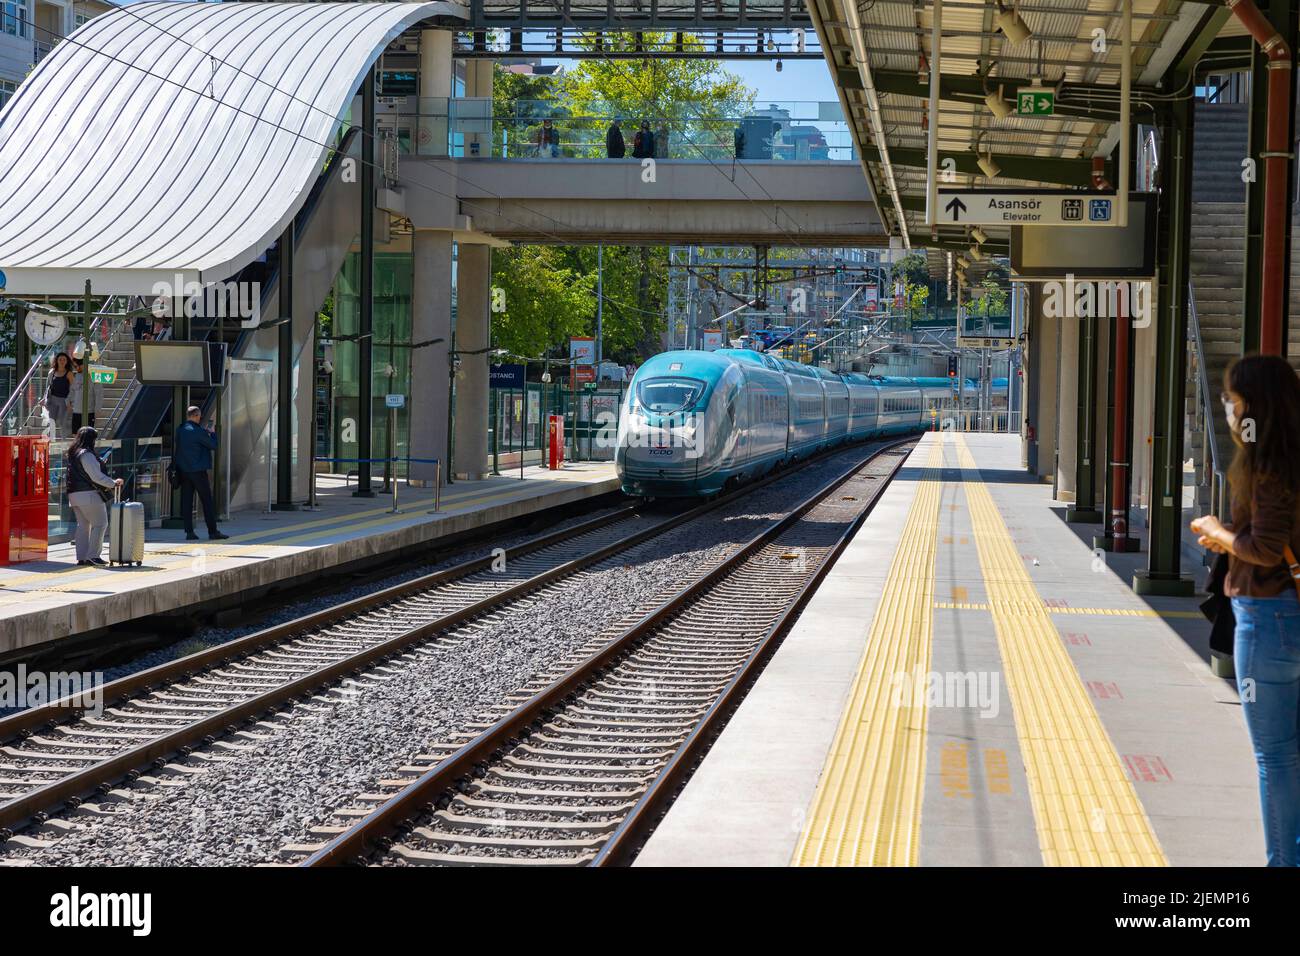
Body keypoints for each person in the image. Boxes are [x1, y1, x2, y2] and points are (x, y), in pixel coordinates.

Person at [1191, 353, 1300, 867]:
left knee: (1276, 756)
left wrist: (1217, 532)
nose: (1228, 409)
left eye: (1232, 400)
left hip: (1270, 617)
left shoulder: (1269, 465)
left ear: (1254, 406)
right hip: (1286, 612)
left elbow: (1265, 547)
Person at [65, 426, 122, 566]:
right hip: (89, 495)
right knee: (101, 523)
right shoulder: (87, 454)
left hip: (74, 495)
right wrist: (113, 483)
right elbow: (95, 476)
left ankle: (82, 557)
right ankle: (93, 556)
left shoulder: (73, 453)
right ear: (91, 439)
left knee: (83, 525)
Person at [175, 405, 228, 541]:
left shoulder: (181, 429)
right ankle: (213, 531)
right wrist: (212, 433)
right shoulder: (198, 431)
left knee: (187, 501)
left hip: (184, 470)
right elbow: (214, 446)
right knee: (207, 501)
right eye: (200, 416)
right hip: (198, 471)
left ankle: (189, 532)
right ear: (197, 416)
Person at [42, 352, 73, 439]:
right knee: (51, 422)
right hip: (52, 400)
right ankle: (51, 441)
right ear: (57, 361)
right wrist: (44, 399)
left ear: (67, 361)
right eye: (60, 359)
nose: (62, 361)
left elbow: (73, 389)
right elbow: (48, 386)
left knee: (63, 423)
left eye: (64, 359)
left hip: (64, 401)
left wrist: (70, 402)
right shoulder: (52, 372)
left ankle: (64, 443)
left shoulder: (69, 373)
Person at [68, 358, 103, 432]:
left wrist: (98, 410)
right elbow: (72, 391)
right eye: (74, 367)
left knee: (88, 435)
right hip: (76, 411)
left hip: (89, 412)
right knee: (76, 434)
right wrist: (69, 403)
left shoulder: (94, 375)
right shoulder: (75, 376)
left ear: (83, 364)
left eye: (76, 366)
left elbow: (99, 393)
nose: (75, 368)